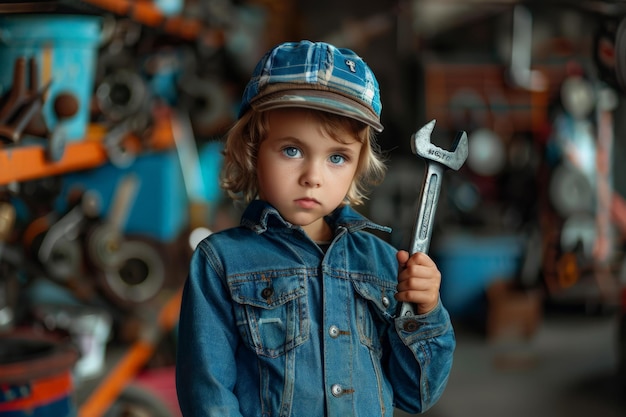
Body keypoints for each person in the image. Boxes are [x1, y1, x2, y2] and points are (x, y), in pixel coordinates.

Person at [176, 40, 455, 417]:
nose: (313, 177)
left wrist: (426, 313)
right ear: (253, 149)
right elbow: (208, 395)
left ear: (357, 167)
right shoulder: (221, 263)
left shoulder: (384, 263)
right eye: (292, 150)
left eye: (337, 157)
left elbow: (415, 394)